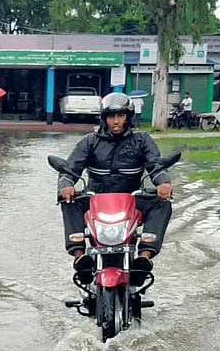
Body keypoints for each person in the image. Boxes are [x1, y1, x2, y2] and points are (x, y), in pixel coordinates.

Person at [58, 92, 173, 286]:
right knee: (69, 201)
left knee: (163, 204)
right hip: (95, 199)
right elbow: (70, 169)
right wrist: (66, 185)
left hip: (132, 199)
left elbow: (156, 167)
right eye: (111, 116)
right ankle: (80, 257)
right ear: (104, 119)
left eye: (121, 115)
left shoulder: (142, 140)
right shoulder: (89, 141)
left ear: (128, 117)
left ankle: (144, 258)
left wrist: (163, 183)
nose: (116, 121)